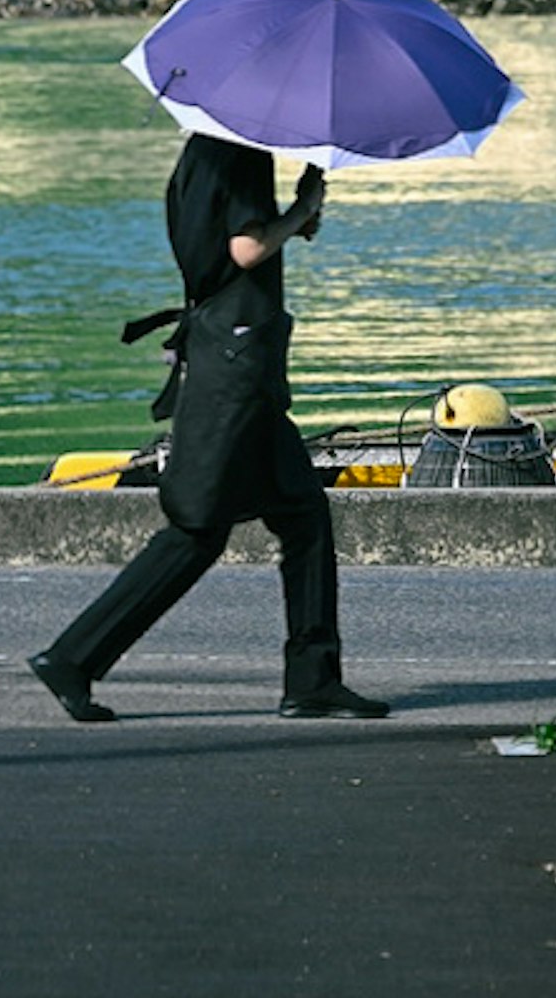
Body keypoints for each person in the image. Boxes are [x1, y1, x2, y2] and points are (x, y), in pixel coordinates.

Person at [27, 132, 388, 723]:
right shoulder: (242, 152)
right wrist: (299, 210)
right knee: (197, 530)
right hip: (235, 372)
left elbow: (224, 253)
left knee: (304, 515)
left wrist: (292, 223)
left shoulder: (198, 154)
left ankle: (314, 679)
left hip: (235, 359)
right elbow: (246, 248)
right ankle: (73, 658)